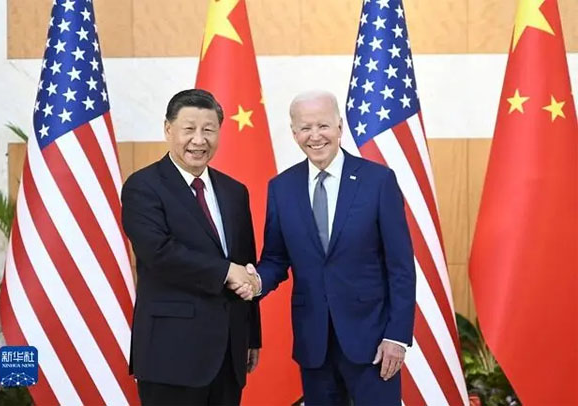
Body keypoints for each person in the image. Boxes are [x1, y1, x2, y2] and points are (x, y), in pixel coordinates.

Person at [234, 90, 415, 405]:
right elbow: (276, 258)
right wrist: (257, 281)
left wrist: (396, 337)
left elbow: (400, 267)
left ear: (340, 127)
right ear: (294, 133)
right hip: (314, 342)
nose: (314, 136)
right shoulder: (282, 188)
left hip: (373, 341)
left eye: (323, 126)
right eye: (305, 128)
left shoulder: (378, 180)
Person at [121, 89, 261, 406]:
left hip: (228, 352)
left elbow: (246, 264)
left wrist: (251, 336)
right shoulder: (143, 186)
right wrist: (226, 272)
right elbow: (159, 253)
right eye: (189, 129)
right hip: (171, 354)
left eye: (208, 130)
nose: (199, 140)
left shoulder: (234, 191)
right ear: (169, 129)